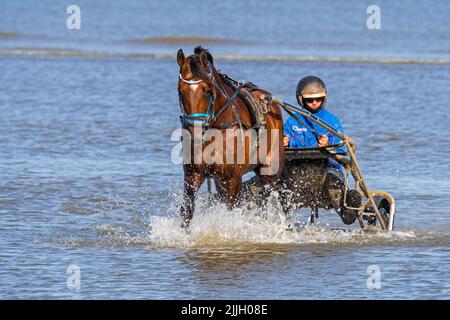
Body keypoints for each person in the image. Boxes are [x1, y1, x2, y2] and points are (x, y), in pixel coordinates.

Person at [283, 76, 360, 224]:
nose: (314, 103)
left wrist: (328, 144)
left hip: (327, 170)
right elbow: (288, 144)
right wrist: (283, 143)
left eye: (318, 99)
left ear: (324, 99)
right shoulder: (292, 121)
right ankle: (280, 222)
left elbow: (341, 147)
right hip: (298, 171)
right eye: (310, 100)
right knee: (275, 180)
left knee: (333, 182)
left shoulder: (332, 120)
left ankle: (346, 211)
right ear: (301, 100)